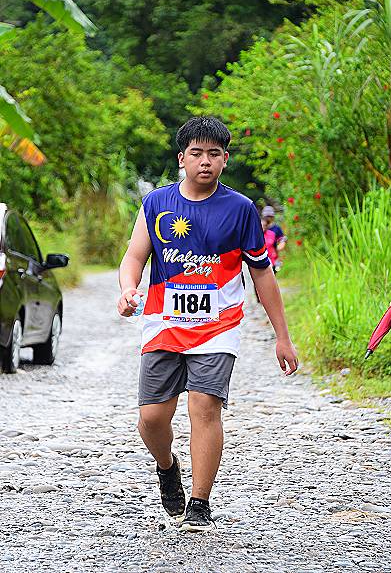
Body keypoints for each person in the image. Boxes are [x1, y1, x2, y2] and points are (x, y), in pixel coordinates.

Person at [118, 116, 298, 532]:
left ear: (225, 159)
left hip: (219, 325)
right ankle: (167, 466)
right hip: (163, 323)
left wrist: (282, 337)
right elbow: (134, 257)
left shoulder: (240, 209)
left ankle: (200, 502)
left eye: (213, 154)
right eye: (196, 153)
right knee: (152, 417)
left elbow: (262, 273)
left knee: (204, 406)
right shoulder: (157, 203)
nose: (205, 161)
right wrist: (127, 290)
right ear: (182, 158)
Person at [261, 205, 287, 274]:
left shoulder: (276, 228)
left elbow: (282, 240)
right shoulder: (258, 227)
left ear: (273, 217)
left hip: (272, 257)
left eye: (270, 216)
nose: (268, 218)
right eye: (267, 216)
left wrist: (277, 248)